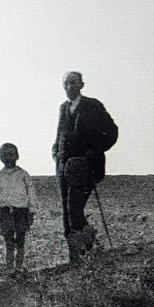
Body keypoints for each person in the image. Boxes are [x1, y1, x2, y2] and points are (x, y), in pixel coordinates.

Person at [52, 71, 118, 262]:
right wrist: (56, 153)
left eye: (73, 83)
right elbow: (59, 136)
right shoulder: (63, 108)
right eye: (66, 84)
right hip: (64, 167)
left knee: (74, 208)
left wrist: (95, 150)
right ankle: (75, 256)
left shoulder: (93, 105)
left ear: (81, 85)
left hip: (85, 167)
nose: (69, 87)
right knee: (67, 211)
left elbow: (112, 132)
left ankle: (88, 248)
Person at [0, 143, 36, 272]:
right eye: (4, 155)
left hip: (21, 211)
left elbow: (31, 193)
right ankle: (9, 267)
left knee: (21, 239)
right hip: (6, 211)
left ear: (17, 156)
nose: (7, 158)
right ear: (0, 158)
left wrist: (31, 211)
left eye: (11, 154)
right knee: (8, 240)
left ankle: (19, 266)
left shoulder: (23, 174)